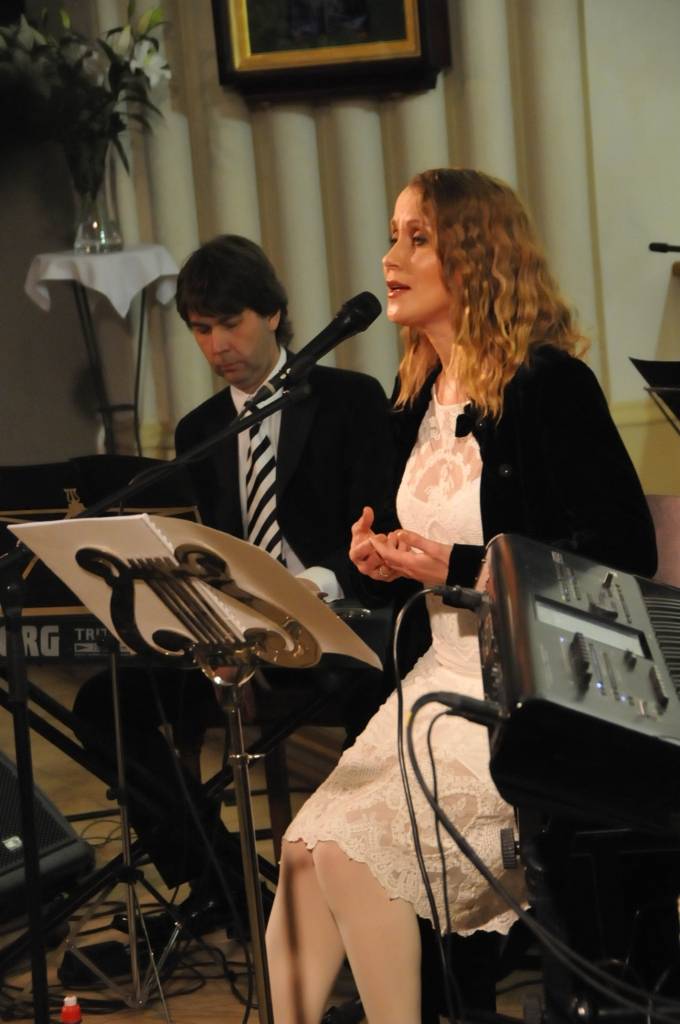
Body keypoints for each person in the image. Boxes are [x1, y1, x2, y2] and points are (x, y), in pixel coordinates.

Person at [264, 168, 657, 1024]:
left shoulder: (548, 385)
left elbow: (623, 556)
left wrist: (457, 563)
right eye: (392, 236)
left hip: (523, 697)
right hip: (432, 680)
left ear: (475, 258)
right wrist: (378, 556)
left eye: (418, 239)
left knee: (353, 864)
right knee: (300, 860)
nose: (390, 258)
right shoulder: (416, 395)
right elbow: (419, 547)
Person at [72, 235, 394, 911]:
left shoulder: (350, 399)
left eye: (230, 323)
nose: (217, 345)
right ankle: (223, 883)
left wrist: (313, 585)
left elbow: (383, 525)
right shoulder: (202, 430)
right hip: (236, 637)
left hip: (336, 621)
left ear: (272, 313)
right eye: (200, 329)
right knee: (104, 704)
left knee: (384, 687)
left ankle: (370, 893)